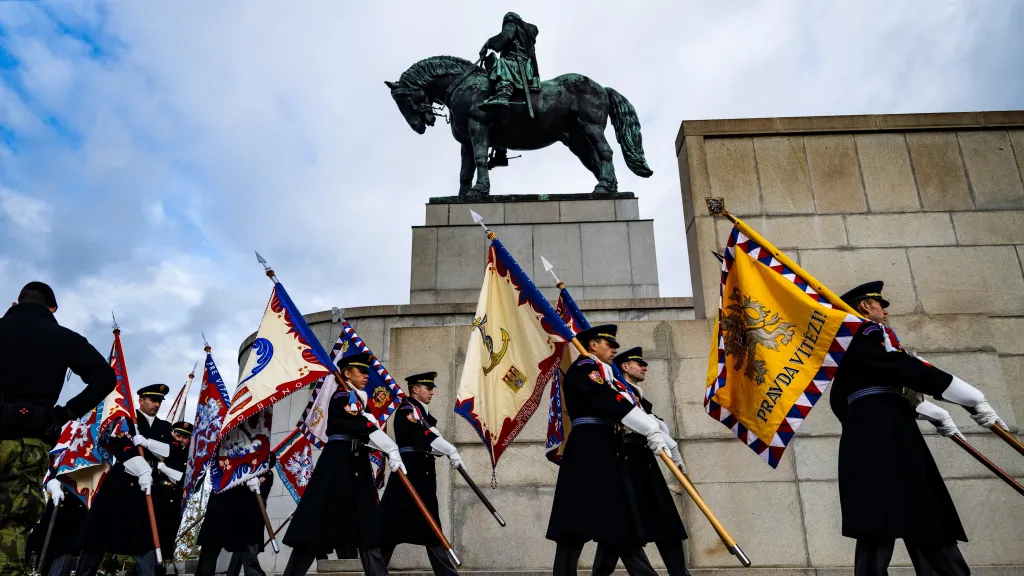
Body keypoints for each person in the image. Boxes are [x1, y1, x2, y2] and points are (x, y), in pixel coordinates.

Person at [830, 281, 1008, 576]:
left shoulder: (856, 349)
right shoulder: (865, 334)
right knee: (893, 518)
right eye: (880, 306)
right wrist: (970, 397)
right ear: (865, 306)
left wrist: (920, 407)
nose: (885, 313)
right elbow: (901, 367)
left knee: (915, 514)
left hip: (884, 432)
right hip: (883, 437)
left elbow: (860, 390)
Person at [0, 281, 116, 576]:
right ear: (52, 308)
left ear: (16, 302)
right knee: (13, 524)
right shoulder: (65, 338)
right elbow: (105, 377)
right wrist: (65, 413)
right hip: (29, 441)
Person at [546, 324, 668, 576]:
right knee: (575, 526)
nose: (614, 349)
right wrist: (648, 428)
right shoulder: (585, 369)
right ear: (592, 345)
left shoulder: (607, 375)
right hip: (588, 452)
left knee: (619, 520)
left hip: (607, 448)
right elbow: (608, 401)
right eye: (609, 344)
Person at [282, 352, 405, 576]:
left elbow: (363, 428)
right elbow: (358, 426)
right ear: (347, 374)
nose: (366, 376)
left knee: (367, 531)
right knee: (314, 531)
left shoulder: (357, 400)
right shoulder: (342, 397)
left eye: (367, 372)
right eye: (361, 372)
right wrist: (391, 448)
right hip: (337, 469)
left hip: (356, 467)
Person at [591, 347, 690, 576]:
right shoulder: (614, 390)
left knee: (665, 522)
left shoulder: (641, 399)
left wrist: (674, 452)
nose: (645, 367)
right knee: (621, 530)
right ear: (624, 366)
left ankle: (680, 573)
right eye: (639, 363)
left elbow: (654, 427)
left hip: (645, 462)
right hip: (625, 461)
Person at [74, 384, 176, 576]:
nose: (156, 405)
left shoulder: (165, 427)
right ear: (141, 400)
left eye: (159, 401)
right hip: (121, 484)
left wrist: (148, 444)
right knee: (97, 537)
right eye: (153, 400)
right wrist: (139, 466)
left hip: (148, 488)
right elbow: (119, 444)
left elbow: (171, 450)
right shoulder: (126, 420)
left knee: (146, 543)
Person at [379, 372, 462, 575]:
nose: (432, 392)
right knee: (389, 528)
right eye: (428, 388)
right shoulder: (408, 410)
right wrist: (451, 450)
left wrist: (446, 450)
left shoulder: (420, 412)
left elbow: (431, 442)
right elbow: (422, 436)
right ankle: (376, 571)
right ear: (415, 389)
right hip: (408, 475)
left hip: (421, 475)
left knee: (431, 525)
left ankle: (447, 573)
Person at [194, 453, 275, 576]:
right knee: (208, 556)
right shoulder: (225, 454)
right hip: (220, 509)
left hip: (244, 515)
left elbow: (262, 493)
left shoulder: (264, 473)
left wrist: (254, 482)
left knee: (249, 557)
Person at [25, 455, 89, 576]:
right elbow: (51, 476)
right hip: (52, 518)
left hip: (71, 526)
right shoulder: (65, 453)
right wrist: (54, 487)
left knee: (62, 559)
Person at [478, 12, 540, 114]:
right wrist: (535, 76)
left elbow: (506, 36)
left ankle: (502, 95)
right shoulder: (528, 36)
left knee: (501, 66)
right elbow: (533, 57)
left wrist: (487, 44)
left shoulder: (512, 23)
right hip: (526, 67)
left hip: (514, 63)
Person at [152, 421, 191, 570]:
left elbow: (184, 478)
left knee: (169, 534)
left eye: (185, 437)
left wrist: (165, 469)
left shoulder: (188, 455)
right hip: (157, 492)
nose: (180, 439)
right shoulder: (163, 447)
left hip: (174, 496)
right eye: (178, 435)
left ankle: (166, 564)